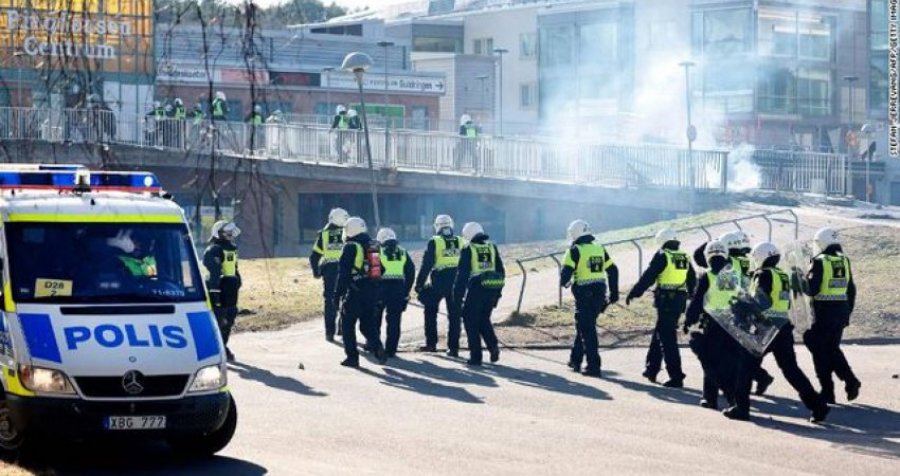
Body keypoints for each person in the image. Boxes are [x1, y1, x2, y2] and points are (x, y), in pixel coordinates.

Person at [725, 242, 830, 422]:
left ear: (760, 257)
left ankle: (741, 408)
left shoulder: (762, 274)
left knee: (745, 367)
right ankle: (818, 406)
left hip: (763, 328)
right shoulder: (782, 275)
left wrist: (741, 305)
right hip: (782, 327)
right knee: (791, 370)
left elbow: (762, 301)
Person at [626, 228, 695, 387]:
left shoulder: (663, 255)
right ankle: (651, 368)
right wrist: (692, 296)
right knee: (660, 332)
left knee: (667, 338)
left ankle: (676, 376)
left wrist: (635, 292)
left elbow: (649, 276)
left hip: (666, 302)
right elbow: (691, 279)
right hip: (679, 300)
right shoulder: (684, 256)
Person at [802, 227, 861, 404]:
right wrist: (847, 312)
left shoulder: (819, 261)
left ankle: (836, 386)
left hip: (824, 312)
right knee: (831, 348)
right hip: (841, 310)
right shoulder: (844, 260)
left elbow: (813, 289)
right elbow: (851, 289)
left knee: (818, 348)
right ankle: (844, 384)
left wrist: (801, 280)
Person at [719, 231, 777, 396]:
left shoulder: (730, 262)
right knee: (739, 350)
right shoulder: (751, 259)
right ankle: (758, 377)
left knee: (730, 351)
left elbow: (724, 286)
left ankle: (754, 379)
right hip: (749, 308)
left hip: (735, 308)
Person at [560, 219, 619, 377]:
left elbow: (565, 274)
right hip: (600, 293)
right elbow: (613, 270)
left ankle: (593, 366)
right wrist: (614, 293)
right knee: (585, 326)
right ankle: (575, 359)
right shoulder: (599, 248)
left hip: (584, 294)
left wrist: (564, 281)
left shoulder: (575, 250)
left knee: (587, 329)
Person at [684, 240, 739, 410]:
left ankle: (711, 398)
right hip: (731, 322)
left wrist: (689, 320)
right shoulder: (733, 273)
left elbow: (698, 300)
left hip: (713, 323)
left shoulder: (707, 275)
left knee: (709, 360)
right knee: (729, 362)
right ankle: (735, 396)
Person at [335, 217, 386, 367]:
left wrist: (337, 295)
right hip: (372, 290)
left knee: (347, 324)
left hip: (355, 291)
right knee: (367, 324)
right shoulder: (373, 245)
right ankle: (377, 347)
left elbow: (343, 273)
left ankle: (352, 357)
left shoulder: (351, 246)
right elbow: (381, 269)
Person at [454, 222, 505, 366]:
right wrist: (497, 293)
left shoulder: (468, 249)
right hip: (491, 287)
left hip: (476, 289)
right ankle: (493, 346)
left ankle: (476, 357)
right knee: (484, 319)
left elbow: (462, 276)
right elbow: (501, 271)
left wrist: (457, 298)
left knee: (470, 321)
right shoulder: (492, 248)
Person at [415, 214, 464, 356]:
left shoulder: (435, 241)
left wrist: (419, 285)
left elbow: (426, 265)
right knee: (454, 315)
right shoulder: (461, 241)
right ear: (451, 225)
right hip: (457, 281)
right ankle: (453, 348)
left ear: (437, 226)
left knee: (430, 311)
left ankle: (431, 344)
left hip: (439, 281)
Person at [203, 220, 242, 362]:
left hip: (231, 288)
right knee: (220, 320)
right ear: (218, 233)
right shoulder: (215, 249)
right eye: (227, 232)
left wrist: (238, 280)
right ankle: (217, 349)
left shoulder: (232, 248)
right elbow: (214, 273)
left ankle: (223, 346)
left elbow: (233, 267)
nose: (230, 235)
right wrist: (216, 296)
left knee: (230, 317)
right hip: (220, 288)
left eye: (231, 232)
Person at [310, 207, 349, 342]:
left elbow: (314, 256)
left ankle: (329, 332)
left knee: (330, 301)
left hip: (330, 271)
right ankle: (343, 329)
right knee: (346, 299)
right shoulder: (349, 233)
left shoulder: (324, 234)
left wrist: (316, 272)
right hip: (346, 269)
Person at [376, 227, 416, 358]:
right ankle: (391, 349)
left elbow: (375, 271)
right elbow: (410, 271)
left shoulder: (378, 251)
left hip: (381, 288)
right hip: (398, 288)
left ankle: (374, 345)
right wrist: (406, 290)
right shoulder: (403, 251)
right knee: (394, 320)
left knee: (375, 318)